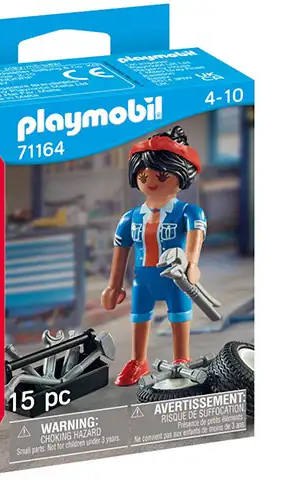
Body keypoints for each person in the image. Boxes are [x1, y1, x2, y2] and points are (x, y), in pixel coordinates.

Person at [101, 126, 207, 386]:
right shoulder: (130, 218)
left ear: (181, 176)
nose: (150, 181)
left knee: (179, 316)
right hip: (143, 278)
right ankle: (138, 361)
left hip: (176, 278)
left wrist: (192, 264)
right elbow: (121, 250)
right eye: (143, 174)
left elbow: (195, 236)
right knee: (139, 317)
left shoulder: (189, 212)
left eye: (161, 175)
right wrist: (114, 286)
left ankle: (182, 360)